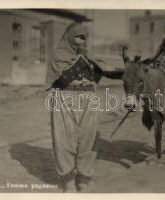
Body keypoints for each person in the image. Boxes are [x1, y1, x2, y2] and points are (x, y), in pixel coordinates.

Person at [46, 22, 123, 192]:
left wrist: (128, 71)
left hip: (89, 99)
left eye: (84, 38)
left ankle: (83, 177)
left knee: (88, 139)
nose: (81, 41)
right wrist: (83, 59)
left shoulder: (88, 56)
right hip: (65, 99)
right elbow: (64, 78)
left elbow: (105, 71)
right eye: (78, 37)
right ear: (69, 36)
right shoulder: (60, 54)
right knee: (64, 140)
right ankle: (68, 180)